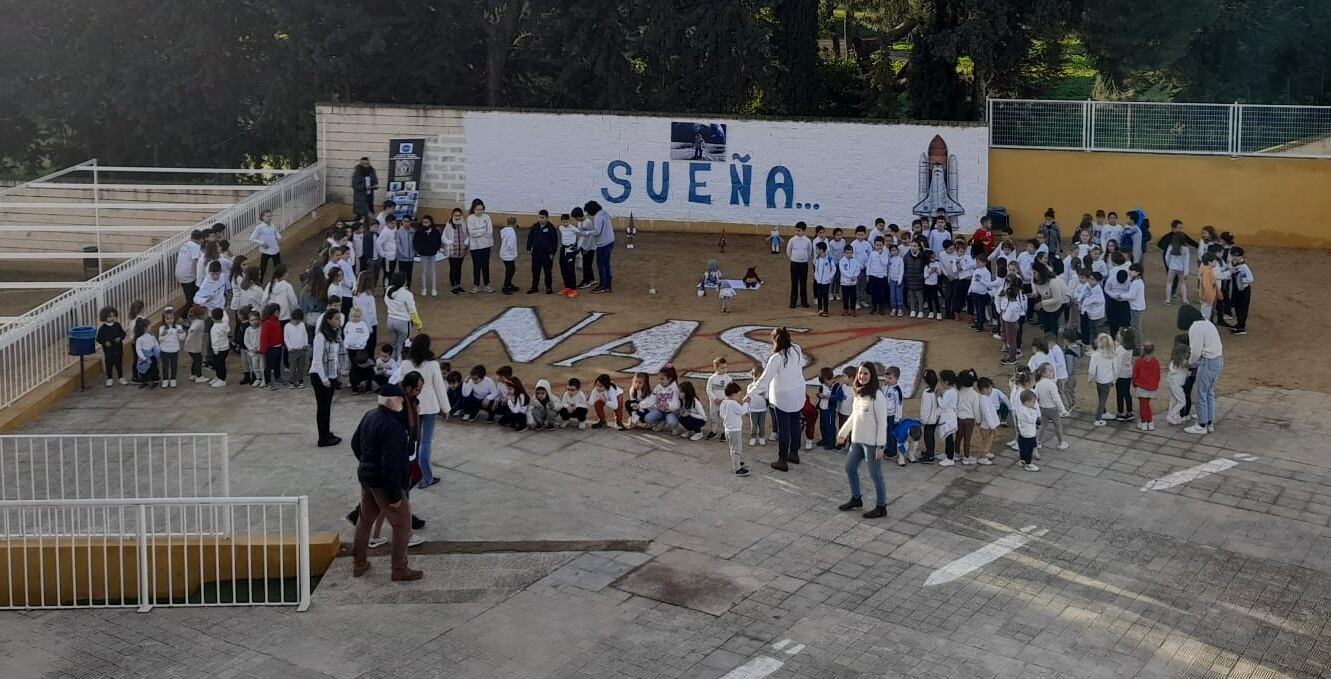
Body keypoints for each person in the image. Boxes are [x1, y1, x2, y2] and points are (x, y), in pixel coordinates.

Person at [350, 384, 423, 582]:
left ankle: (359, 563)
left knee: (365, 520)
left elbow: (355, 443)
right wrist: (394, 497)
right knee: (402, 525)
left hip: (367, 478)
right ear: (391, 401)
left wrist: (367, 463)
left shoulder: (370, 415)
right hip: (384, 483)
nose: (402, 403)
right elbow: (391, 465)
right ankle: (399, 569)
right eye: (399, 399)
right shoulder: (393, 427)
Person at [748, 328, 807, 471]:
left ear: (775, 340)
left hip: (783, 396)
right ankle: (794, 453)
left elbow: (764, 379)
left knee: (784, 428)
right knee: (794, 424)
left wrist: (751, 393)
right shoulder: (797, 349)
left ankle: (782, 459)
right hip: (798, 392)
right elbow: (801, 365)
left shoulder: (776, 358)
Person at [395, 334, 450, 488]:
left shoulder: (406, 364)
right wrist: (446, 408)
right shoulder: (432, 365)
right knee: (425, 442)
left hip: (412, 406)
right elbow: (439, 387)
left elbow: (400, 383)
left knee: (414, 441)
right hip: (430, 406)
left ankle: (414, 475)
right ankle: (426, 478)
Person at [836, 363, 888, 519]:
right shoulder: (858, 393)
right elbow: (854, 416)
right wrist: (843, 433)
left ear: (871, 375)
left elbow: (882, 422)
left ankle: (881, 506)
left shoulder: (877, 396)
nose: (862, 376)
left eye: (866, 373)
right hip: (857, 441)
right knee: (849, 467)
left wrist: (880, 445)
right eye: (860, 373)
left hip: (872, 444)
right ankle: (856, 498)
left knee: (875, 475)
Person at [1179, 304, 1223, 435]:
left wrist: (1189, 363)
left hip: (1207, 362)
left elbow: (1196, 352)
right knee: (1209, 392)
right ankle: (1209, 422)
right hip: (1218, 360)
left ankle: (1201, 424)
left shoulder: (1195, 328)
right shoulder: (1207, 323)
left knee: (1201, 394)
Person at [311, 310, 344, 447]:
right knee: (322, 407)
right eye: (336, 319)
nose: (338, 321)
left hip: (331, 375)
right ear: (329, 320)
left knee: (327, 407)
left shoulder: (335, 335)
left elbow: (337, 356)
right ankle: (322, 438)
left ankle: (326, 432)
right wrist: (324, 379)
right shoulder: (320, 337)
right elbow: (318, 360)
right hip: (319, 376)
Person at [383, 272, 419, 360]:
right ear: (404, 282)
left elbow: (386, 301)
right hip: (403, 322)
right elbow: (412, 311)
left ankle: (393, 362)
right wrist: (418, 323)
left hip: (390, 320)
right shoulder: (407, 294)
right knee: (402, 346)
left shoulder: (389, 290)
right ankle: (400, 366)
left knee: (394, 345)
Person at [719, 383, 750, 476]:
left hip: (728, 429)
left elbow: (721, 415)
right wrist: (746, 403)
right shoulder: (732, 403)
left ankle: (736, 461)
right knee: (736, 449)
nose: (739, 397)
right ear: (733, 394)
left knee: (733, 447)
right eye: (738, 395)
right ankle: (737, 468)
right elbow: (742, 411)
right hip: (735, 430)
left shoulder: (724, 403)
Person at [585, 201, 615, 294]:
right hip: (610, 241)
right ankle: (607, 285)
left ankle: (603, 286)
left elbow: (597, 231)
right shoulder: (604, 213)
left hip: (603, 244)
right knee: (606, 264)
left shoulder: (598, 217)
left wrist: (587, 232)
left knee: (601, 264)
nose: (588, 214)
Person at [1087, 333, 1117, 426]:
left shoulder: (1095, 355)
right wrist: (1114, 380)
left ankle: (1104, 412)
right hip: (1107, 381)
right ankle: (1098, 419)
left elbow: (1092, 370)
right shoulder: (1112, 355)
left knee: (1101, 398)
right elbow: (1115, 369)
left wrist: (1090, 379)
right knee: (1102, 400)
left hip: (1099, 380)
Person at [466, 199, 495, 293]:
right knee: (476, 265)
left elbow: (489, 232)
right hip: (475, 246)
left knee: (485, 265)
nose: (479, 211)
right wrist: (482, 230)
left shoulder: (487, 217)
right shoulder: (470, 218)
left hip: (486, 245)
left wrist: (478, 231)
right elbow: (471, 232)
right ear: (473, 209)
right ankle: (476, 285)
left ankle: (487, 284)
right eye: (477, 209)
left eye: (481, 209)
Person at [527, 210, 558, 295]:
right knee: (535, 271)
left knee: (547, 272)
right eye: (539, 217)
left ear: (547, 218)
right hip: (536, 253)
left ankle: (548, 287)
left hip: (547, 255)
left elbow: (554, 241)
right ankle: (534, 287)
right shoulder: (535, 226)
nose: (541, 219)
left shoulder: (551, 228)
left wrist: (552, 253)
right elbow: (530, 237)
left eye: (543, 217)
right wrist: (529, 247)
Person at [97, 306, 128, 387]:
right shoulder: (102, 328)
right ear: (105, 317)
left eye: (113, 316)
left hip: (118, 349)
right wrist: (105, 342)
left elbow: (123, 333)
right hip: (108, 350)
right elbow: (99, 338)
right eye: (109, 316)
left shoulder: (117, 325)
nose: (112, 318)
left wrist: (120, 338)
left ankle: (121, 377)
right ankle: (109, 378)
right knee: (109, 364)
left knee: (119, 363)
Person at [413, 214, 442, 296]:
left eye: (427, 222)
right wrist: (419, 250)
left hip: (432, 254)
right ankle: (424, 288)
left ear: (431, 222)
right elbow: (415, 242)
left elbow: (438, 241)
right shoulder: (419, 231)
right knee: (423, 271)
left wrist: (436, 249)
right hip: (423, 255)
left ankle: (433, 288)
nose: (425, 224)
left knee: (433, 271)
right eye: (424, 222)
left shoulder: (435, 231)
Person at [442, 208, 469, 295]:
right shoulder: (449, 225)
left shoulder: (464, 224)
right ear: (452, 215)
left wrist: (466, 242)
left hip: (462, 251)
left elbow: (468, 235)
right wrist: (450, 242)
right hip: (452, 251)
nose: (457, 217)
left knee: (459, 268)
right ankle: (453, 286)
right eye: (455, 215)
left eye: (459, 215)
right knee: (453, 268)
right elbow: (443, 237)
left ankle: (458, 285)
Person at [249, 210, 282, 281]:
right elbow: (251, 238)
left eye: (270, 216)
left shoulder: (272, 225)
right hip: (265, 251)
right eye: (267, 216)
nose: (269, 218)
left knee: (278, 267)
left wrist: (279, 237)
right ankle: (259, 281)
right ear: (262, 217)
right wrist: (262, 243)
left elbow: (276, 232)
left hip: (275, 250)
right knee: (263, 268)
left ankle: (278, 281)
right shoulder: (259, 227)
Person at [175, 230, 205, 304]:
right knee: (191, 300)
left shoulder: (185, 245)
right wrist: (199, 276)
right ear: (200, 239)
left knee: (189, 296)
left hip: (179, 274)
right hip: (188, 276)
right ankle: (185, 315)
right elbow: (195, 262)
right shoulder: (195, 246)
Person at [1229, 247, 1254, 335]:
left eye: (1237, 256)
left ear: (1241, 256)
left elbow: (1251, 279)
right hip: (1237, 289)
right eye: (1233, 255)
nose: (1234, 257)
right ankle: (1239, 324)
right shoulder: (1234, 264)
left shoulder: (1244, 267)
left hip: (1244, 290)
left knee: (1242, 308)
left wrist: (1242, 279)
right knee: (1237, 307)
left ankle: (1241, 327)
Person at [1015, 390, 1041, 472]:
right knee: (1028, 449)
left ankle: (1022, 460)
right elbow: (1032, 420)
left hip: (1023, 433)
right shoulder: (1025, 411)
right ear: (1027, 402)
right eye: (1033, 402)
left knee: (1022, 448)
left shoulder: (1022, 408)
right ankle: (1028, 464)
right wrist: (1034, 411)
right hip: (1028, 434)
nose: (1034, 404)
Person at [787, 222, 811, 308]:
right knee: (794, 283)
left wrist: (804, 259)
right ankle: (793, 302)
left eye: (799, 230)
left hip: (804, 264)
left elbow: (809, 251)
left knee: (803, 283)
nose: (797, 232)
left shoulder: (807, 241)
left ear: (804, 231)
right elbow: (788, 251)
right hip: (794, 264)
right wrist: (793, 259)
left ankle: (804, 302)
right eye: (796, 230)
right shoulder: (792, 240)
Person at [557, 213, 581, 296]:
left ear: (569, 221)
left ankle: (573, 289)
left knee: (570, 269)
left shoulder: (574, 229)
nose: (565, 224)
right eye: (563, 222)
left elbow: (581, 235)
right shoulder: (560, 228)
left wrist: (577, 246)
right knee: (563, 267)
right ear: (561, 221)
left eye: (566, 222)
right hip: (563, 248)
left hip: (571, 249)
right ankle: (567, 287)